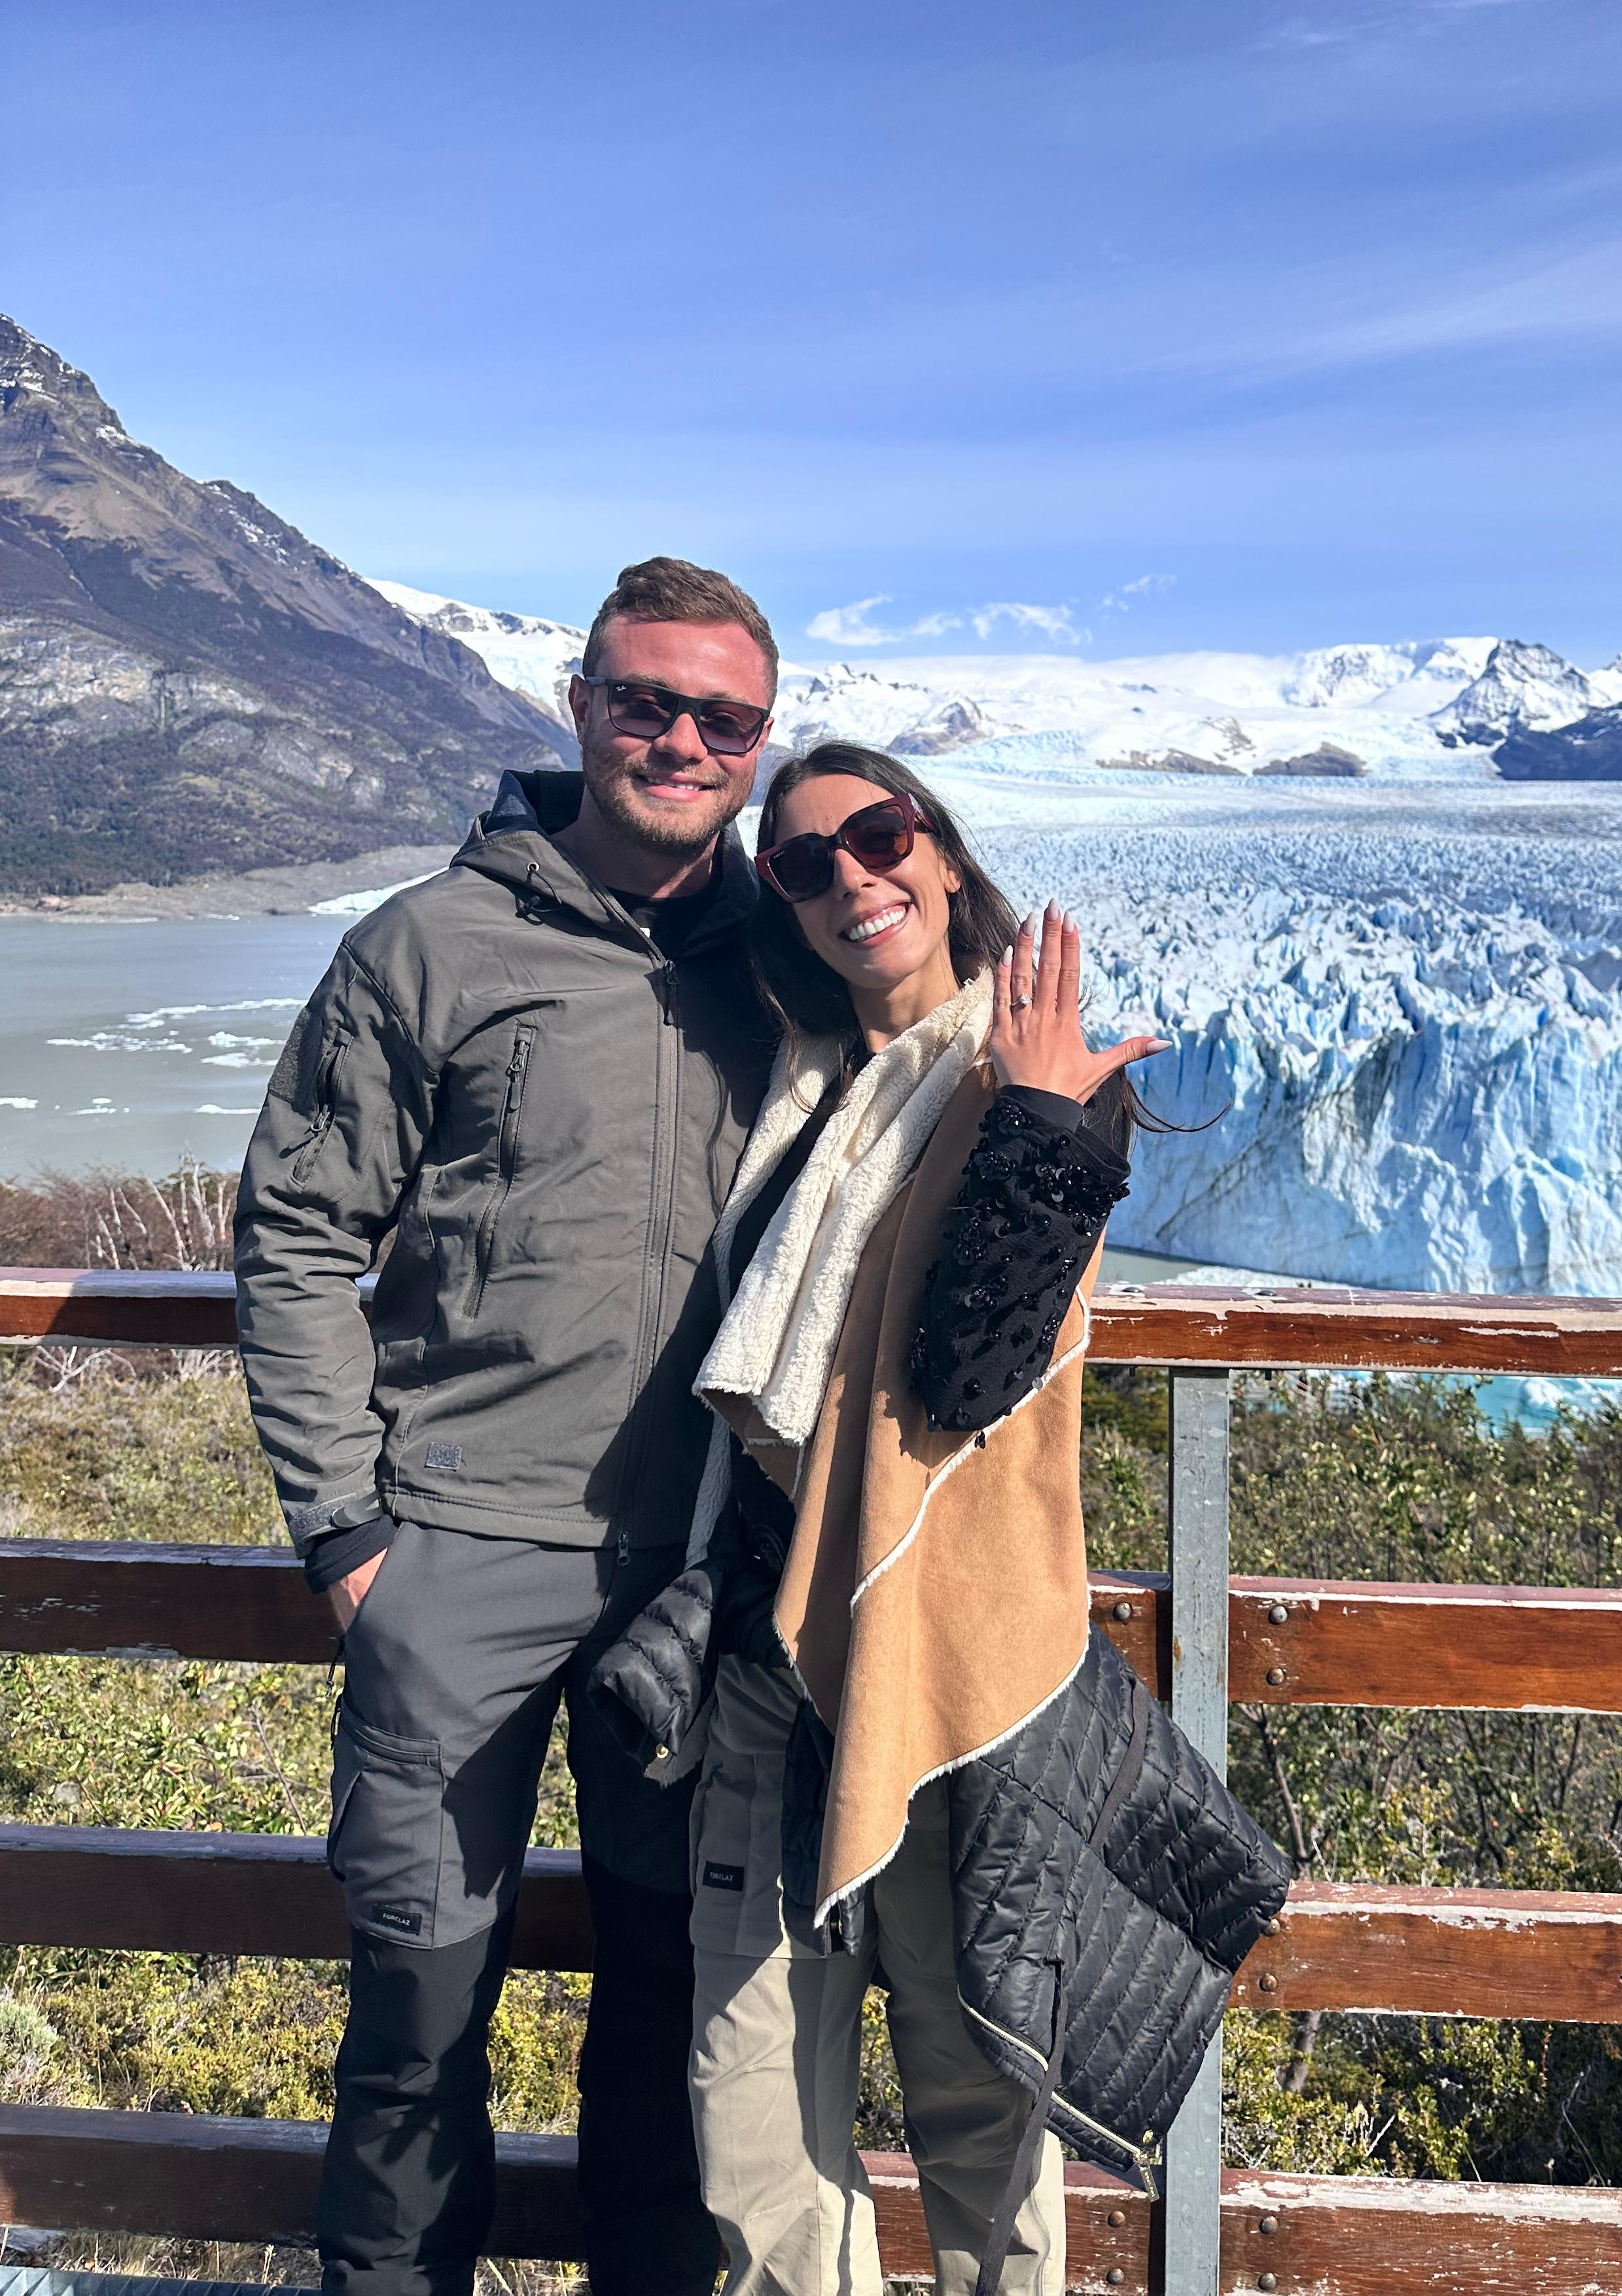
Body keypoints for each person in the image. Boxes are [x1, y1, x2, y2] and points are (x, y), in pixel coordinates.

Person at [592, 743, 1286, 2296]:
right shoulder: (808, 1090)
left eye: (879, 834)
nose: (852, 876)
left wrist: (1038, 1116)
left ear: (943, 853)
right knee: (753, 2115)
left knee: (978, 2101)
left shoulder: (1034, 1088)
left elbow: (967, 1378)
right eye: (803, 863)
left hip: (943, 1675)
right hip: (769, 1659)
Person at [233, 555, 783, 2296]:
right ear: (582, 705)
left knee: (674, 2005)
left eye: (724, 719)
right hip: (455, 1551)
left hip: (696, 1571)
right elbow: (297, 1228)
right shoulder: (429, 944)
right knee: (417, 1999)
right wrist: (348, 1534)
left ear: (761, 743)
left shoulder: (790, 956)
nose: (681, 741)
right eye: (648, 702)